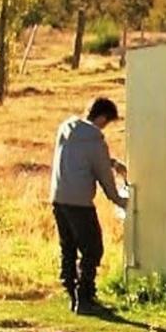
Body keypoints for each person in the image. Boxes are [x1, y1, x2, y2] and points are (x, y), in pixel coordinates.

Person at [50, 96, 128, 315]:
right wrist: (121, 201)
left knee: (68, 247)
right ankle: (85, 298)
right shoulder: (95, 141)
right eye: (108, 122)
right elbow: (104, 178)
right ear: (102, 117)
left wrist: (111, 162)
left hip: (58, 198)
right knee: (92, 249)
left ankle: (70, 291)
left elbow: (79, 158)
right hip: (80, 203)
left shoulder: (66, 128)